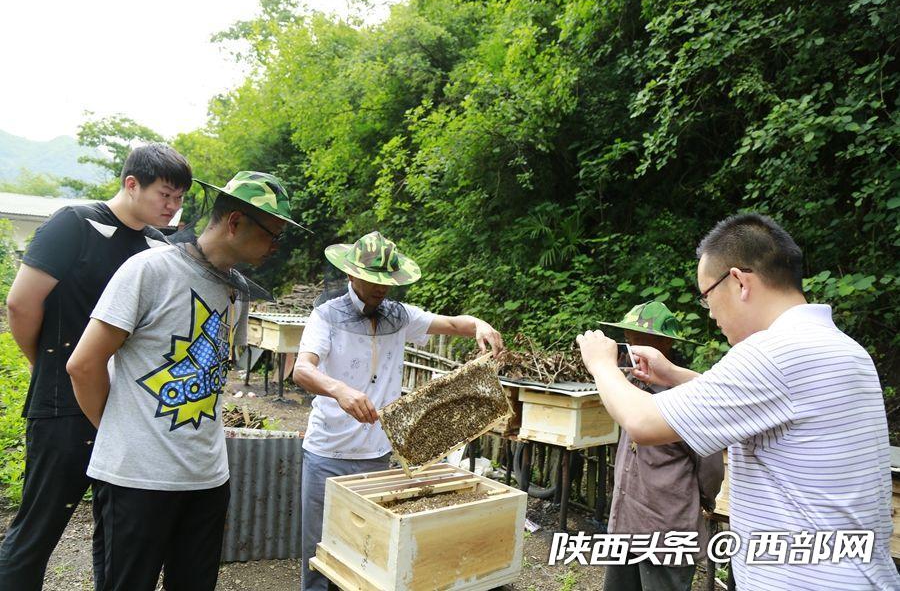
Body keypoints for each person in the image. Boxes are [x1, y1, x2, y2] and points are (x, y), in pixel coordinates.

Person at [577, 213, 899, 590]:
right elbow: (766, 403)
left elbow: (642, 421)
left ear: (739, 282)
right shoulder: (842, 349)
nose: (710, 313)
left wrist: (601, 365)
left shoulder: (773, 353)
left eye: (706, 296)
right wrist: (674, 374)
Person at [66, 171, 305, 591]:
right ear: (234, 222)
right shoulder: (148, 271)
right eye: (273, 234)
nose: (275, 247)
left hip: (207, 479)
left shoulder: (235, 291)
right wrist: (121, 431)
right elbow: (83, 365)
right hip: (137, 479)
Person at [0, 143, 191, 591]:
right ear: (131, 184)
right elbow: (21, 304)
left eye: (179, 198)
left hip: (128, 412)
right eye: (165, 195)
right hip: (64, 405)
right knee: (38, 528)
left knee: (118, 532)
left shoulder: (157, 246)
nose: (173, 207)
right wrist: (51, 367)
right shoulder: (75, 224)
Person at [292, 231, 505, 591]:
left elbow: (453, 324)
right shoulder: (325, 316)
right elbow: (302, 369)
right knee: (321, 552)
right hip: (327, 453)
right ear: (350, 274)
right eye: (373, 280)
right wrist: (339, 389)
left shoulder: (400, 316)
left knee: (367, 552)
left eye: (386, 281)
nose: (381, 288)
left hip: (377, 454)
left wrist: (478, 325)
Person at [600, 301, 723, 591]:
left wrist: (703, 500)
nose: (632, 345)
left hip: (668, 529)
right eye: (628, 337)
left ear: (665, 344)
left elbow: (711, 467)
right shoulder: (628, 385)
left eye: (641, 339)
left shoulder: (689, 395)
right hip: (626, 522)